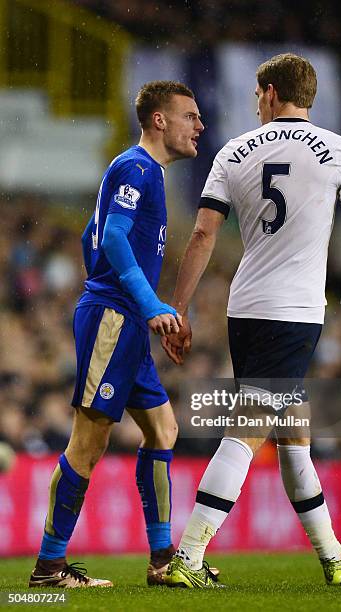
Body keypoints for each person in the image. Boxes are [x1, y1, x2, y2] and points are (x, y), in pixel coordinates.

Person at [161, 53, 341, 588]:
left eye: (255, 95)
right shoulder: (338, 151)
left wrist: (180, 307)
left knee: (294, 431)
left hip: (246, 307)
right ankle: (188, 557)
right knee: (251, 426)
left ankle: (333, 557)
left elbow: (202, 235)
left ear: (267, 91)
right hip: (295, 312)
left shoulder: (233, 150)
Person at [29, 81, 204, 588]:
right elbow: (112, 238)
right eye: (190, 116)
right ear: (159, 120)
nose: (200, 125)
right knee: (88, 442)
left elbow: (92, 235)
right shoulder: (136, 167)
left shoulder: (141, 173)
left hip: (124, 320)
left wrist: (140, 301)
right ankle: (49, 567)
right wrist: (140, 302)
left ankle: (163, 561)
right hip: (115, 320)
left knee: (162, 431)